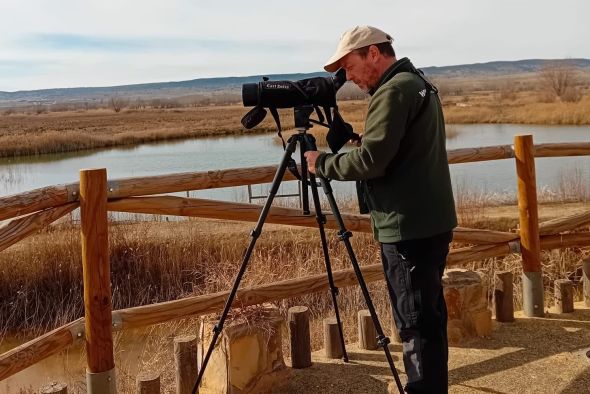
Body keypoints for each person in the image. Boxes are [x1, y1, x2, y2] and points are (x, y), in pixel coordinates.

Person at [304, 26, 457, 393]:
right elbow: (398, 149)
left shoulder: (393, 91)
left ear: (373, 53)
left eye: (350, 66)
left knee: (414, 325)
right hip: (431, 222)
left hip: (407, 229)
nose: (350, 79)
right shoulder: (416, 82)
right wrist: (360, 140)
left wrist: (320, 163)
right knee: (429, 320)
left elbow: (372, 162)